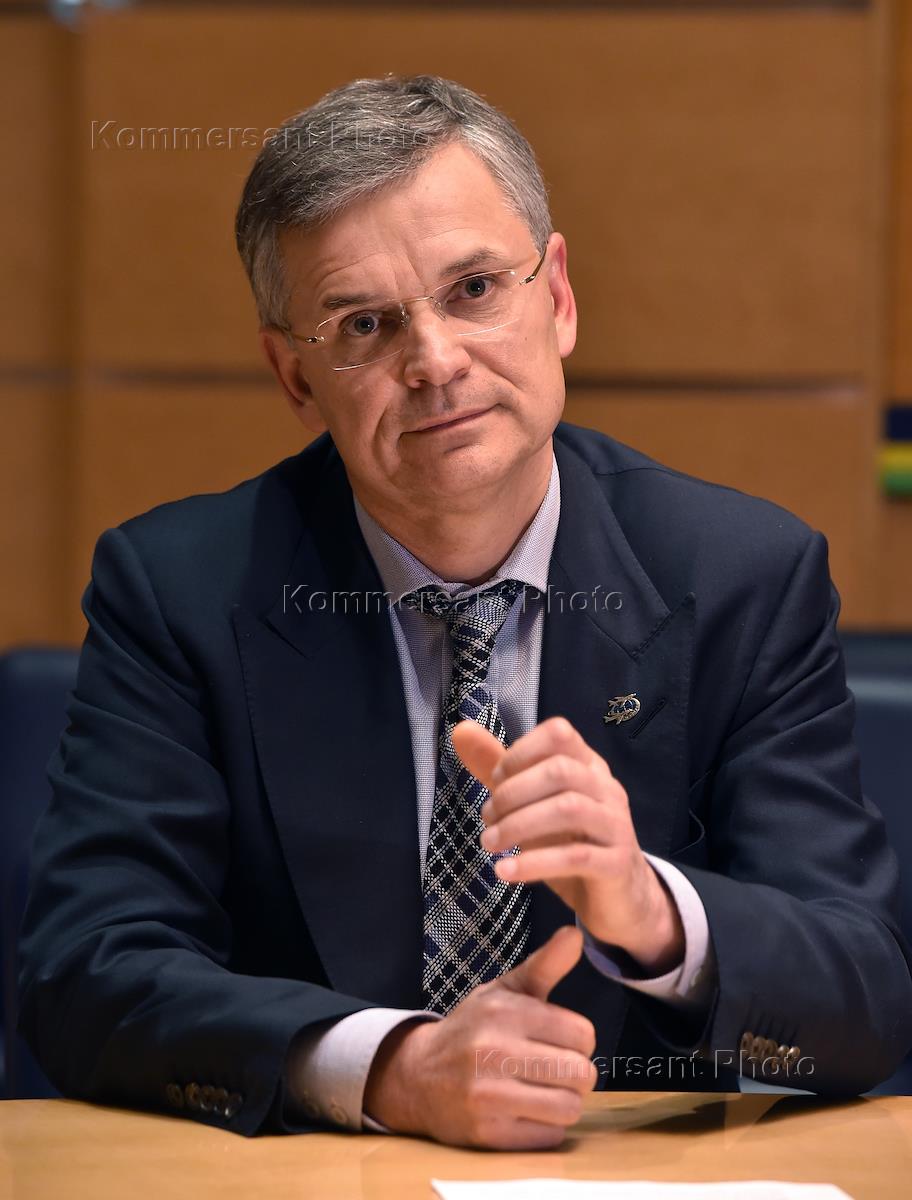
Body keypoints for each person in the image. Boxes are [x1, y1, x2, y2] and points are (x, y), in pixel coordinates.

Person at [19, 75, 912, 1151]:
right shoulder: (181, 592)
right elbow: (87, 970)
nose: (436, 363)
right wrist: (390, 1067)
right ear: (295, 379)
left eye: (475, 288)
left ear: (559, 298)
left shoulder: (741, 578)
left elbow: (865, 997)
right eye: (364, 324)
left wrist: (653, 911)